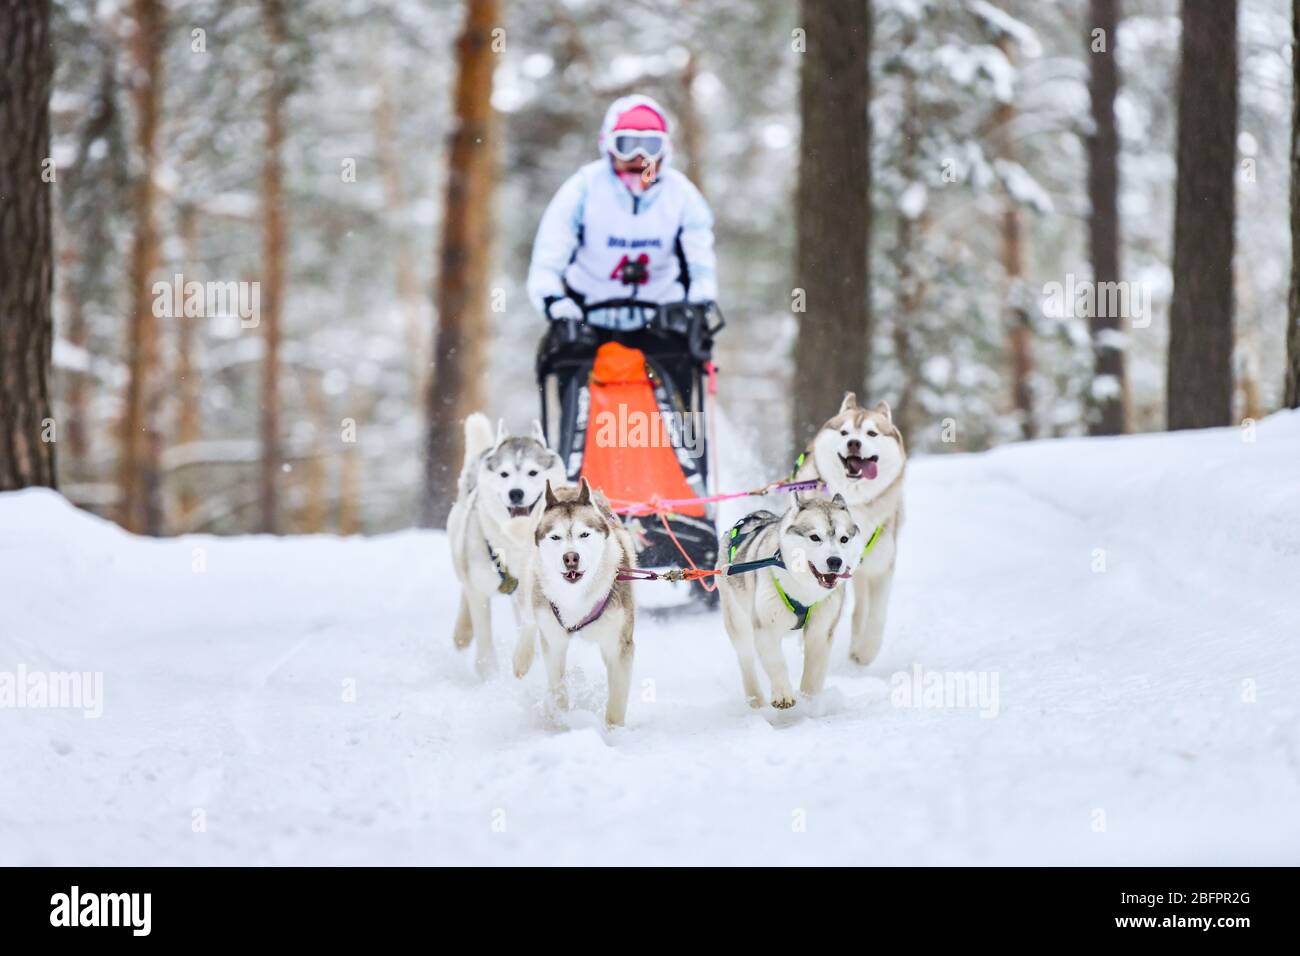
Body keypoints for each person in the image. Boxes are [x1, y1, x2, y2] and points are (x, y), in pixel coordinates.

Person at [526, 94, 718, 332]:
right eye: (625, 145)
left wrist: (700, 302)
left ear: (664, 150)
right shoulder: (583, 189)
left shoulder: (681, 195)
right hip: (588, 321)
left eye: (650, 146)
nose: (638, 157)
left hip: (663, 324)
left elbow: (700, 261)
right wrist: (552, 300)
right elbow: (548, 256)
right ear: (608, 145)